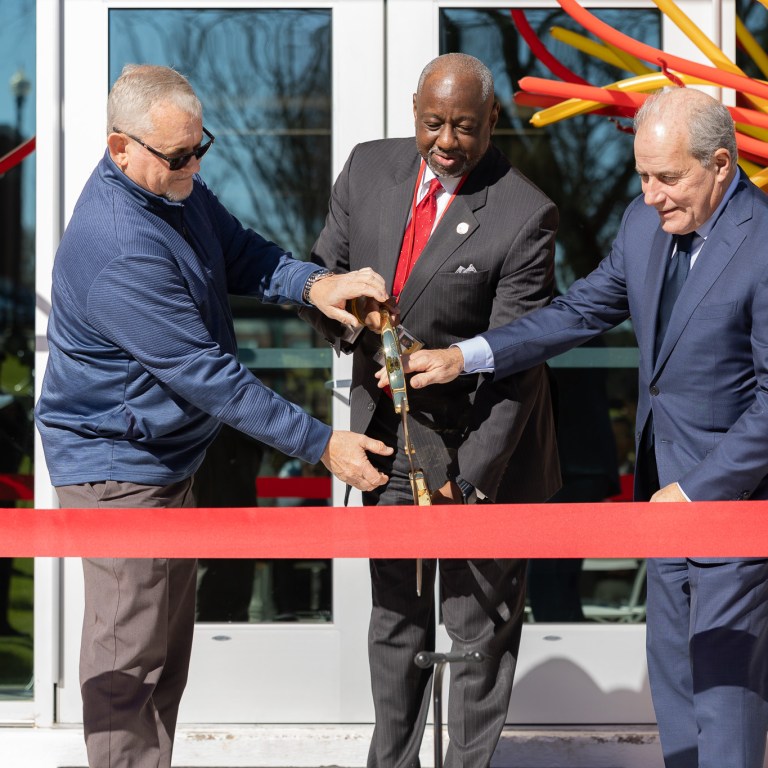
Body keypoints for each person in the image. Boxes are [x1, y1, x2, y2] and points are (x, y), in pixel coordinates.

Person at [34, 63, 394, 768]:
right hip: (116, 468)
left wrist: (314, 284)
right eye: (178, 156)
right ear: (120, 148)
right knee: (126, 659)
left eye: (203, 148)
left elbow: (242, 250)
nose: (194, 166)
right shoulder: (118, 246)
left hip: (167, 455)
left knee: (165, 655)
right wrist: (321, 444)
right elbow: (211, 379)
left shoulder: (174, 188)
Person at [399, 86, 768, 768]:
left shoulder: (764, 241)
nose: (651, 194)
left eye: (668, 177)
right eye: (641, 175)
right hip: (663, 502)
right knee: (675, 685)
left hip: (733, 508)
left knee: (725, 691)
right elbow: (574, 313)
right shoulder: (642, 225)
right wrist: (468, 356)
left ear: (721, 164)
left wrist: (701, 491)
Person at [301, 53, 560, 768]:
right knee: (396, 619)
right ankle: (393, 762)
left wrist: (470, 480)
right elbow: (325, 279)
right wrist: (345, 309)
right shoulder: (365, 168)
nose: (447, 140)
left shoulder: (525, 212)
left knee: (475, 627)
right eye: (433, 122)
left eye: (465, 127)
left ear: (492, 123)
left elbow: (516, 362)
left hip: (485, 443)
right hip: (392, 443)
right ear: (415, 110)